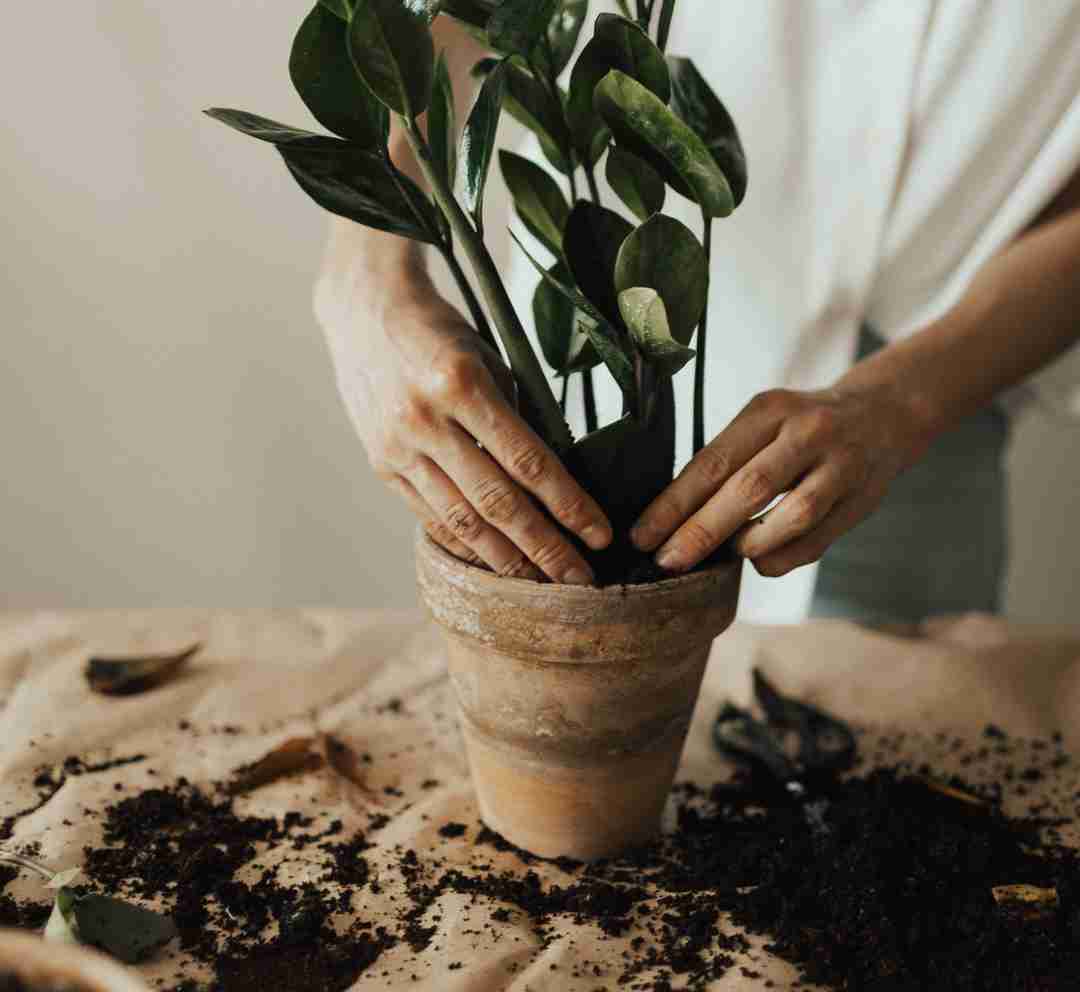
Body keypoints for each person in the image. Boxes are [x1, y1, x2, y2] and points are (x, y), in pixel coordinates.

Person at [314, 2, 1080, 624]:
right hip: (584, 344)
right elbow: (425, 21)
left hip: (933, 387)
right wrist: (365, 277)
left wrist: (908, 399)